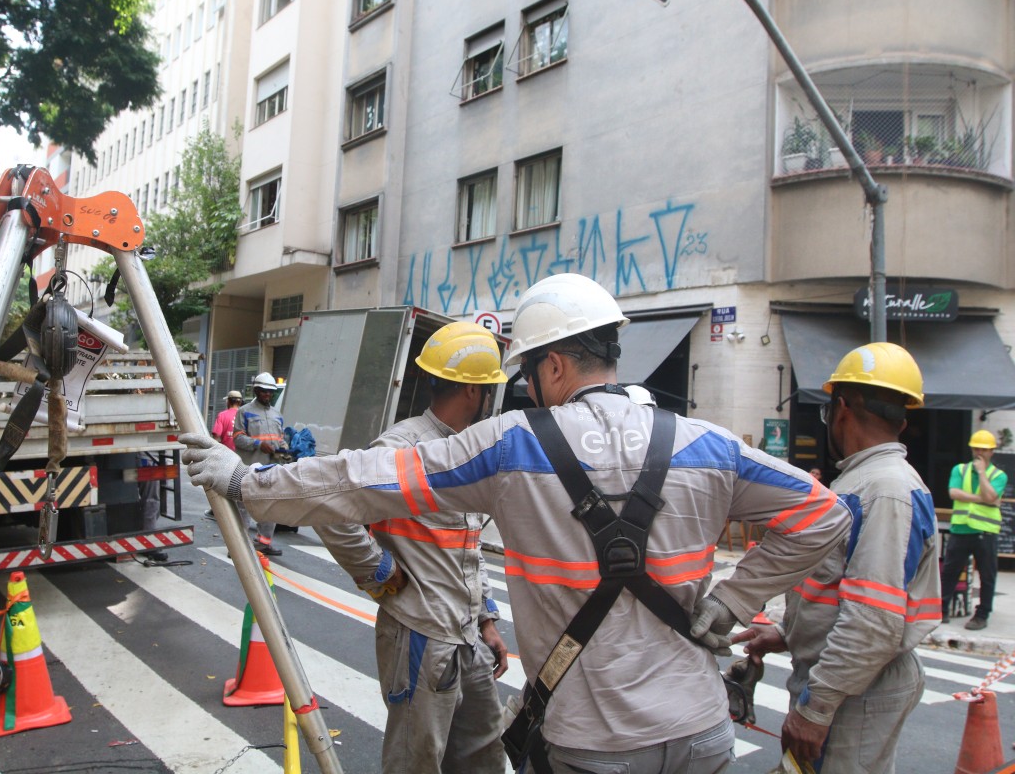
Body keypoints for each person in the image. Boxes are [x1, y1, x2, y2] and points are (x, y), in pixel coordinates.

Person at [181, 273, 850, 772]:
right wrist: (735, 597)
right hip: (703, 736)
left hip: (596, 744)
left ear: (554, 364)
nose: (525, 390)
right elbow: (825, 515)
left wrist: (248, 482)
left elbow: (365, 480)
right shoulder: (708, 445)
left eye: (529, 373)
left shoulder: (512, 446)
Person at [733, 342, 941, 773]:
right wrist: (790, 632)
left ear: (841, 408)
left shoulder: (885, 490)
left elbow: (873, 621)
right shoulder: (864, 481)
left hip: (856, 692)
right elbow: (837, 587)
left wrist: (817, 709)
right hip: (847, 682)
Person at [314, 321, 510, 774]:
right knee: (416, 760)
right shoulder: (404, 447)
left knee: (484, 754)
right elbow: (330, 510)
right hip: (420, 633)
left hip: (466, 633)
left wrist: (487, 619)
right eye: (487, 391)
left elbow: (467, 545)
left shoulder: (466, 448)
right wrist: (379, 570)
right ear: (472, 392)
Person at [940, 428, 1008, 631]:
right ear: (971, 448)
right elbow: (954, 493)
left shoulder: (998, 475)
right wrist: (984, 499)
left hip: (985, 531)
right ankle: (941, 609)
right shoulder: (959, 470)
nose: (980, 452)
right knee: (950, 571)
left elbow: (991, 494)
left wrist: (981, 473)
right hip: (961, 529)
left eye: (984, 449)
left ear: (992, 452)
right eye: (977, 447)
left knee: (987, 575)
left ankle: (982, 615)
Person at [232, 372, 287, 556]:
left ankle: (264, 543)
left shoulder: (277, 415)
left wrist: (285, 449)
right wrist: (257, 444)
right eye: (263, 391)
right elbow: (238, 438)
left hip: (271, 468)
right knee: (243, 507)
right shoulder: (244, 411)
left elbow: (280, 439)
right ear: (256, 390)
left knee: (270, 506)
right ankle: (239, 547)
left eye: (270, 392)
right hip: (249, 468)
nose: (267, 395)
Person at [204, 390, 244, 520]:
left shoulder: (222, 415)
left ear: (228, 401)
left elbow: (216, 437)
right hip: (243, 457)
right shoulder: (244, 416)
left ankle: (218, 510)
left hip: (227, 457)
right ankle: (239, 512)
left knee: (220, 482)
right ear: (240, 402)